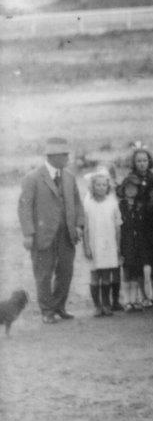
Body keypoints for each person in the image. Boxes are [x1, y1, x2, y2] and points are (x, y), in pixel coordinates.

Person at [17, 135, 85, 323]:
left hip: (66, 234)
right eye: (65, 155)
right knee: (43, 274)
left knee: (66, 272)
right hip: (42, 235)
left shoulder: (70, 177)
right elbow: (24, 207)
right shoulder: (32, 178)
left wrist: (79, 226)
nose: (68, 158)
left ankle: (59, 307)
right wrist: (28, 234)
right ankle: (47, 311)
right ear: (53, 156)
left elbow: (78, 203)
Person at [81, 171, 123, 317]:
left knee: (106, 276)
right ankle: (97, 306)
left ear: (108, 186)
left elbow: (117, 226)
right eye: (97, 185)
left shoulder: (112, 202)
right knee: (94, 275)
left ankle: (106, 304)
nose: (101, 187)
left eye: (104, 185)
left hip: (109, 244)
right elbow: (85, 228)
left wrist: (118, 246)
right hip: (94, 244)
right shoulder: (88, 203)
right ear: (92, 186)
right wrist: (86, 246)